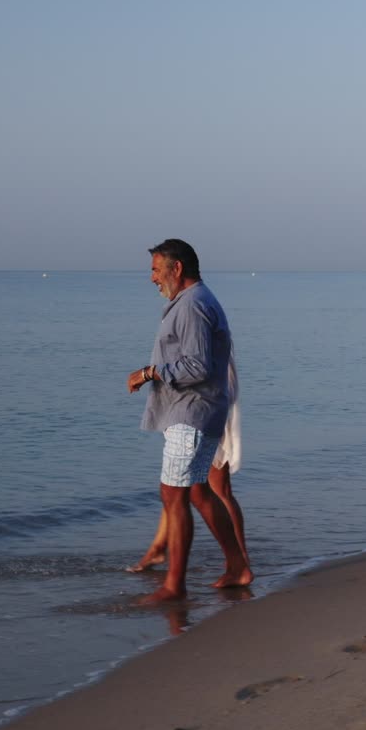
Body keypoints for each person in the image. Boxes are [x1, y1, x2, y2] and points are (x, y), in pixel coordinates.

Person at [126, 239, 252, 603]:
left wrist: (149, 372)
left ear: (176, 268)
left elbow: (197, 366)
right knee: (197, 491)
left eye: (155, 269)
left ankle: (174, 586)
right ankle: (237, 567)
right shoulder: (191, 301)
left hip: (192, 412)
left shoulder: (193, 304)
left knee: (173, 494)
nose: (152, 278)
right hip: (195, 411)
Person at [126, 359, 250, 573]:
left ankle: (240, 559)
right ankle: (158, 548)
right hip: (193, 407)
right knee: (175, 486)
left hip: (207, 407)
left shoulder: (206, 337)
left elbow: (200, 367)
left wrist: (147, 374)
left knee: (218, 488)